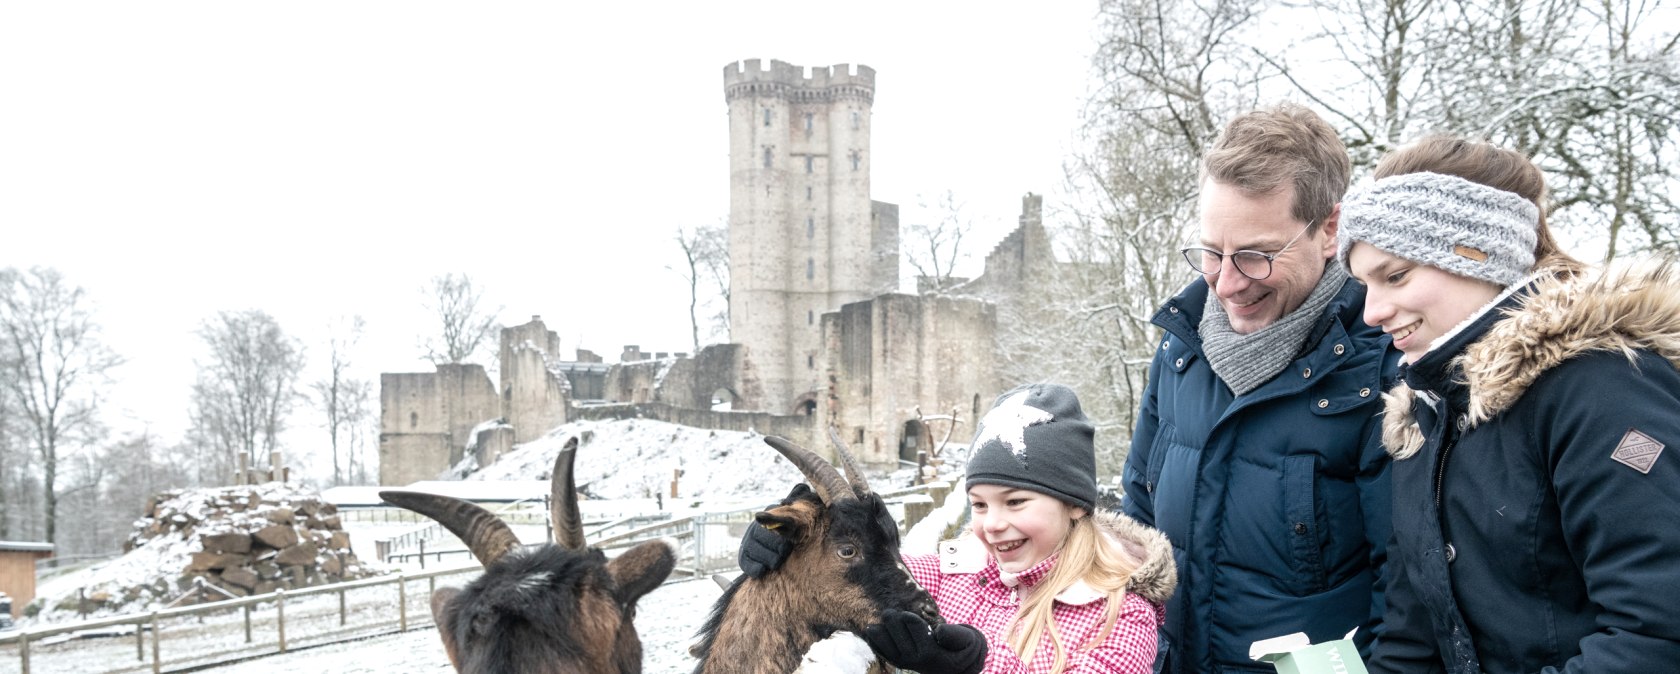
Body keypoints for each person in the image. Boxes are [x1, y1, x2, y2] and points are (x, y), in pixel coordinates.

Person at [1340, 135, 1680, 673]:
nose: (1373, 312)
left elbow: (1657, 634)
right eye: (1364, 285)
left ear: (1479, 254)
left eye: (1396, 275)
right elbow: (1414, 643)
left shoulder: (1604, 389)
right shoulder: (1423, 420)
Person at [1122, 103, 1402, 673]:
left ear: (1329, 230)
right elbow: (1137, 530)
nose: (1225, 284)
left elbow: (1408, 595)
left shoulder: (1386, 366)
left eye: (1254, 256)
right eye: (1210, 253)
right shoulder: (1179, 350)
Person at [743, 383, 1177, 673]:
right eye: (979, 505)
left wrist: (975, 665)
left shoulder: (1121, 615)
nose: (993, 524)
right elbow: (868, 572)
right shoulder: (954, 575)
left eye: (1016, 501)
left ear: (1075, 504)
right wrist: (800, 546)